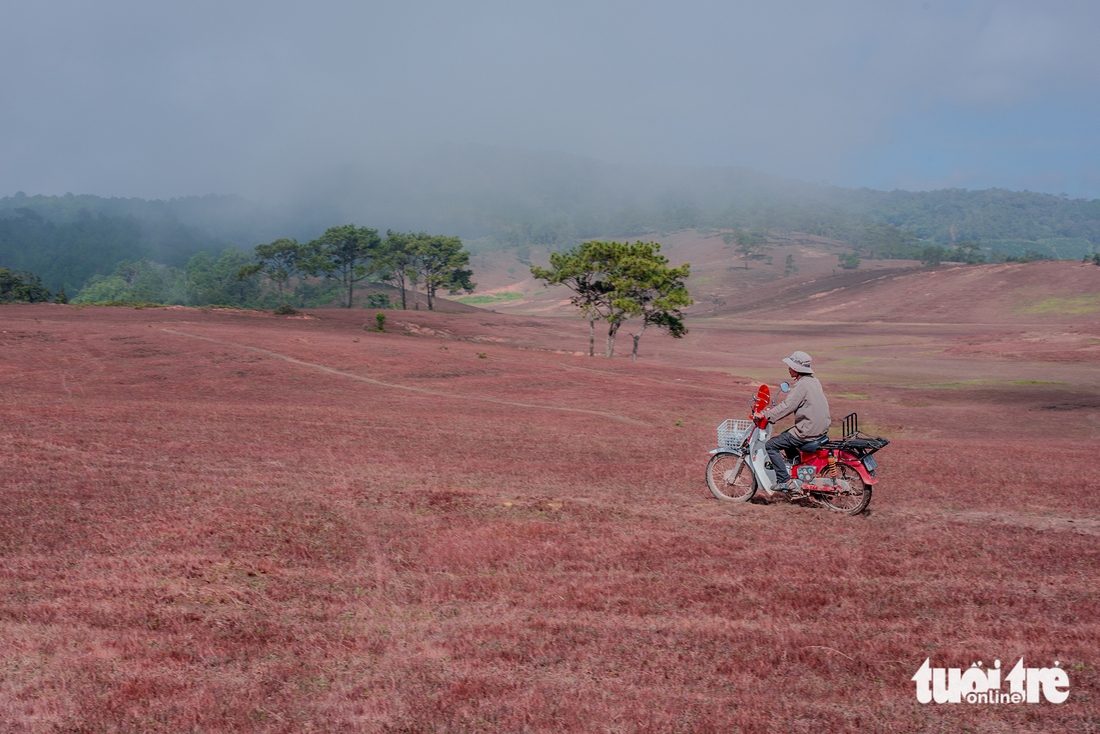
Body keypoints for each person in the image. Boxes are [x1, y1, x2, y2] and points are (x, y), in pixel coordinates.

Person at [752, 351, 831, 494]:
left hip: (807, 430)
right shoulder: (814, 381)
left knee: (771, 445)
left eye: (791, 366)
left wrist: (765, 414)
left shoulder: (801, 385)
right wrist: (773, 411)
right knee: (786, 437)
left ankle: (785, 481)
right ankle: (798, 473)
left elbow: (788, 406)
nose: (788, 368)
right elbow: (792, 404)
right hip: (820, 428)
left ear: (797, 368)